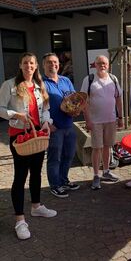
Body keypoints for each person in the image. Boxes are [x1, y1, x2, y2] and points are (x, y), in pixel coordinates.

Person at [0, 52, 57, 240]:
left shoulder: (40, 85)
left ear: (35, 66)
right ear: (20, 65)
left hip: (37, 135)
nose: (29, 66)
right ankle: (19, 220)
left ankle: (36, 206)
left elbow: (46, 109)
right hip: (20, 137)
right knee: (20, 176)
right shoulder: (10, 85)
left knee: (36, 172)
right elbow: (0, 108)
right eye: (25, 63)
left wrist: (47, 123)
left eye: (32, 63)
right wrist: (16, 115)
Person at [81, 55, 123, 190]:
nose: (102, 65)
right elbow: (84, 101)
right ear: (95, 65)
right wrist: (88, 120)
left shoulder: (114, 79)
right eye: (99, 63)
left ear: (108, 65)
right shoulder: (89, 79)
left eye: (104, 63)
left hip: (111, 120)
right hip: (96, 121)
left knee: (107, 147)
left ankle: (106, 171)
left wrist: (120, 117)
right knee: (96, 148)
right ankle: (96, 175)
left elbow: (118, 99)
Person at [43, 53, 80, 198]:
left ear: (59, 64)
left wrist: (76, 109)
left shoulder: (66, 80)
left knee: (69, 155)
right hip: (54, 128)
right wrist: (46, 123)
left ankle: (64, 180)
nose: (53, 65)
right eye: (49, 62)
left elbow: (75, 99)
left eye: (55, 62)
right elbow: (38, 106)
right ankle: (55, 185)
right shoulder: (41, 83)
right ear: (43, 65)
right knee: (55, 158)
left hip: (69, 125)